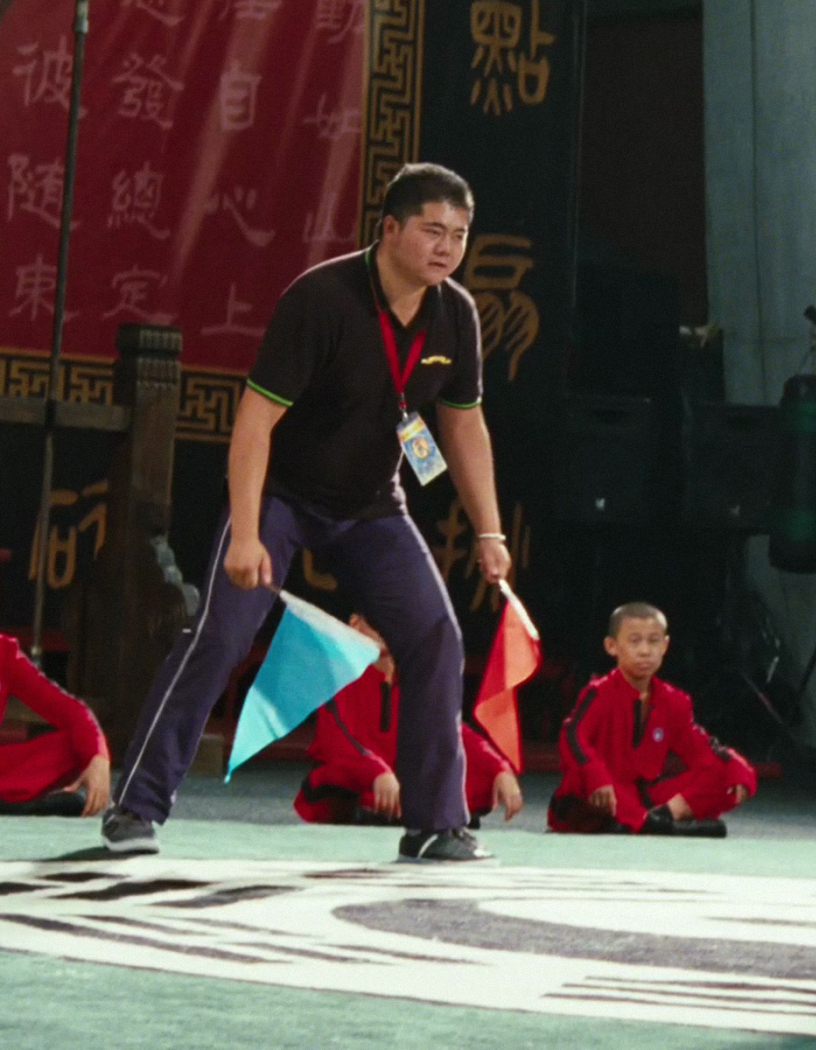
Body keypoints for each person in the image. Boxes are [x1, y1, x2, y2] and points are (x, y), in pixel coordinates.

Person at [101, 163, 510, 862]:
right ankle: (135, 807)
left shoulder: (455, 313)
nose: (447, 248)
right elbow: (254, 422)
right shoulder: (322, 299)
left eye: (460, 235)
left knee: (435, 636)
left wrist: (489, 529)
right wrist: (247, 532)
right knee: (221, 635)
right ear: (390, 229)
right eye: (433, 230)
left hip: (372, 505)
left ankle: (436, 823)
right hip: (281, 497)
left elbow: (463, 424)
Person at [547, 603, 756, 837]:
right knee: (585, 782)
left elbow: (703, 750)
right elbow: (573, 735)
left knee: (726, 775)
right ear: (611, 646)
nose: (645, 651)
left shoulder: (674, 701)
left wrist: (737, 768)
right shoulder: (598, 692)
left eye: (653, 641)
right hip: (599, 793)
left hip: (644, 797)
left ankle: (661, 819)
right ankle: (659, 826)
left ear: (665, 646)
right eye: (635, 641)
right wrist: (596, 775)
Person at [294, 615, 522, 826]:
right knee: (338, 774)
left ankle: (404, 809)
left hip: (400, 777)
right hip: (357, 772)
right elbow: (335, 742)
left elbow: (450, 730)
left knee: (469, 770)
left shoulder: (415, 677)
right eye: (377, 623)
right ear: (355, 624)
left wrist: (498, 768)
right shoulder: (337, 674)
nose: (387, 632)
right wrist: (376, 772)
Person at [0, 633, 110, 817]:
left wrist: (99, 756)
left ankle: (12, 800)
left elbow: (71, 711)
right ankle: (15, 802)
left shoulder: (4, 652)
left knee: (76, 746)